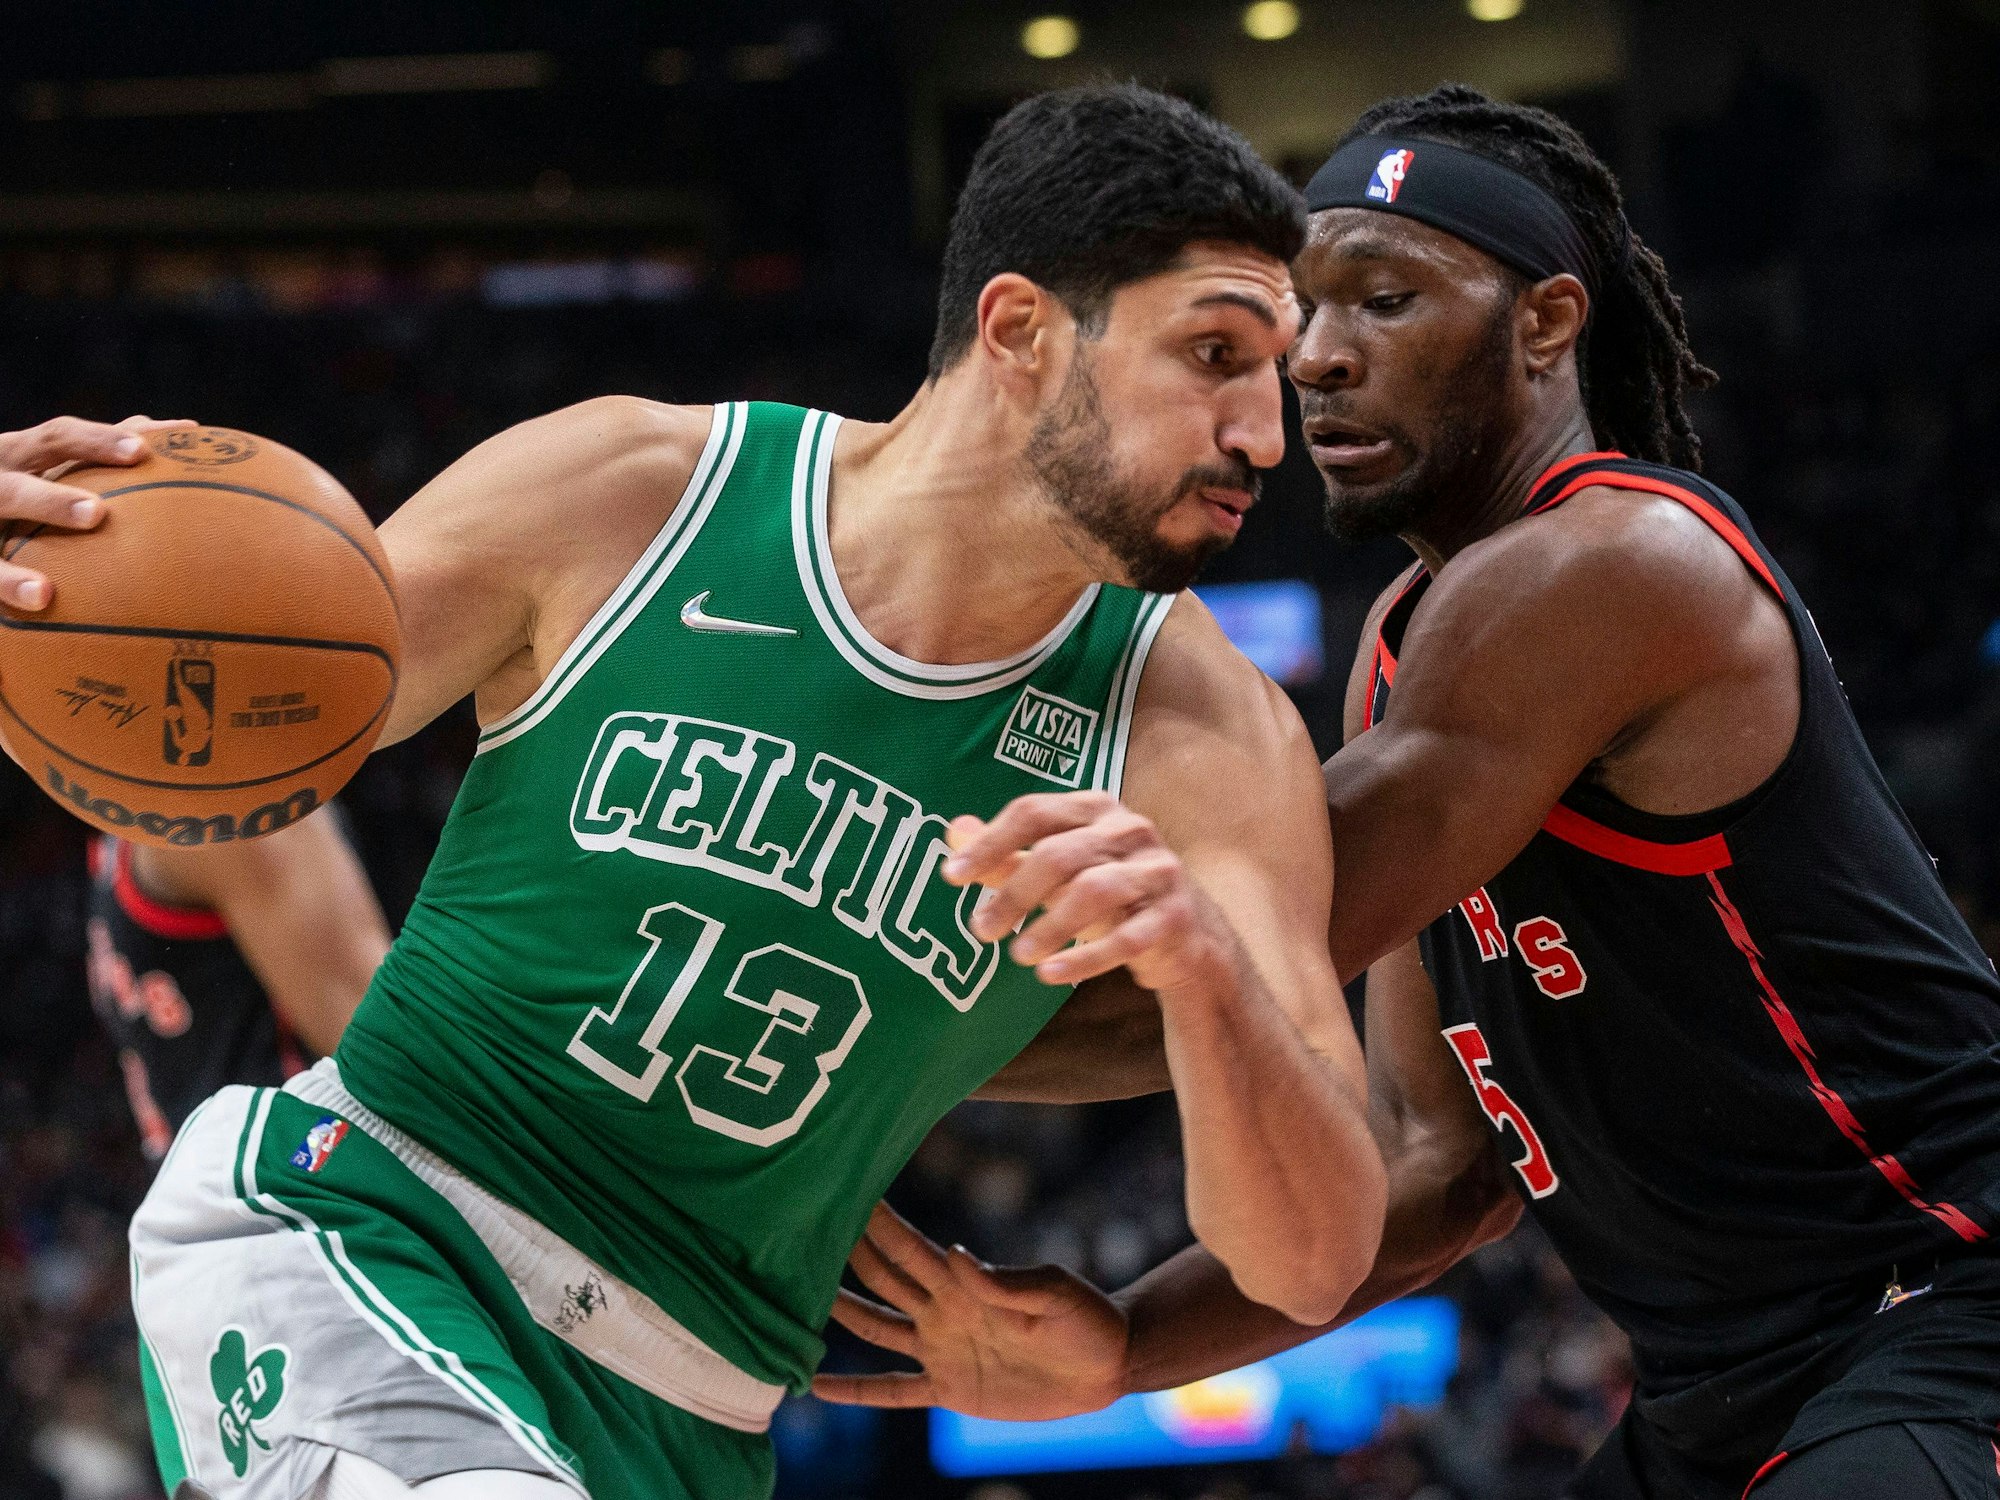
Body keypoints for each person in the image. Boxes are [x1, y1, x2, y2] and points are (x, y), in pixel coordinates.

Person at [0, 86, 1386, 1498]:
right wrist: (41, 603)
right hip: (367, 1229)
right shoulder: (636, 493)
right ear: (1021, 331)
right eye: (1215, 353)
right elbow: (233, 708)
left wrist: (1204, 974)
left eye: (1276, 377)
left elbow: (1316, 1255)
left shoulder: (1204, 734)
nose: (1265, 436)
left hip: (692, 1416)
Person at [814, 85, 2000, 1500]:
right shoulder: (1401, 649)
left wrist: (822, 999)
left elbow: (1233, 973)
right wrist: (1128, 1344)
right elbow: (1437, 1168)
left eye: (1384, 301)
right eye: (1300, 314)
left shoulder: (1609, 566)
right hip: (1726, 1386)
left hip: (1941, 1301)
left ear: (1548, 324)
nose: (1314, 359)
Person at [85, 807, 390, 1161]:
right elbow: (393, 1060)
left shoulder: (124, 829)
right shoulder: (236, 810)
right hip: (302, 1188)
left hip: (213, 1193)